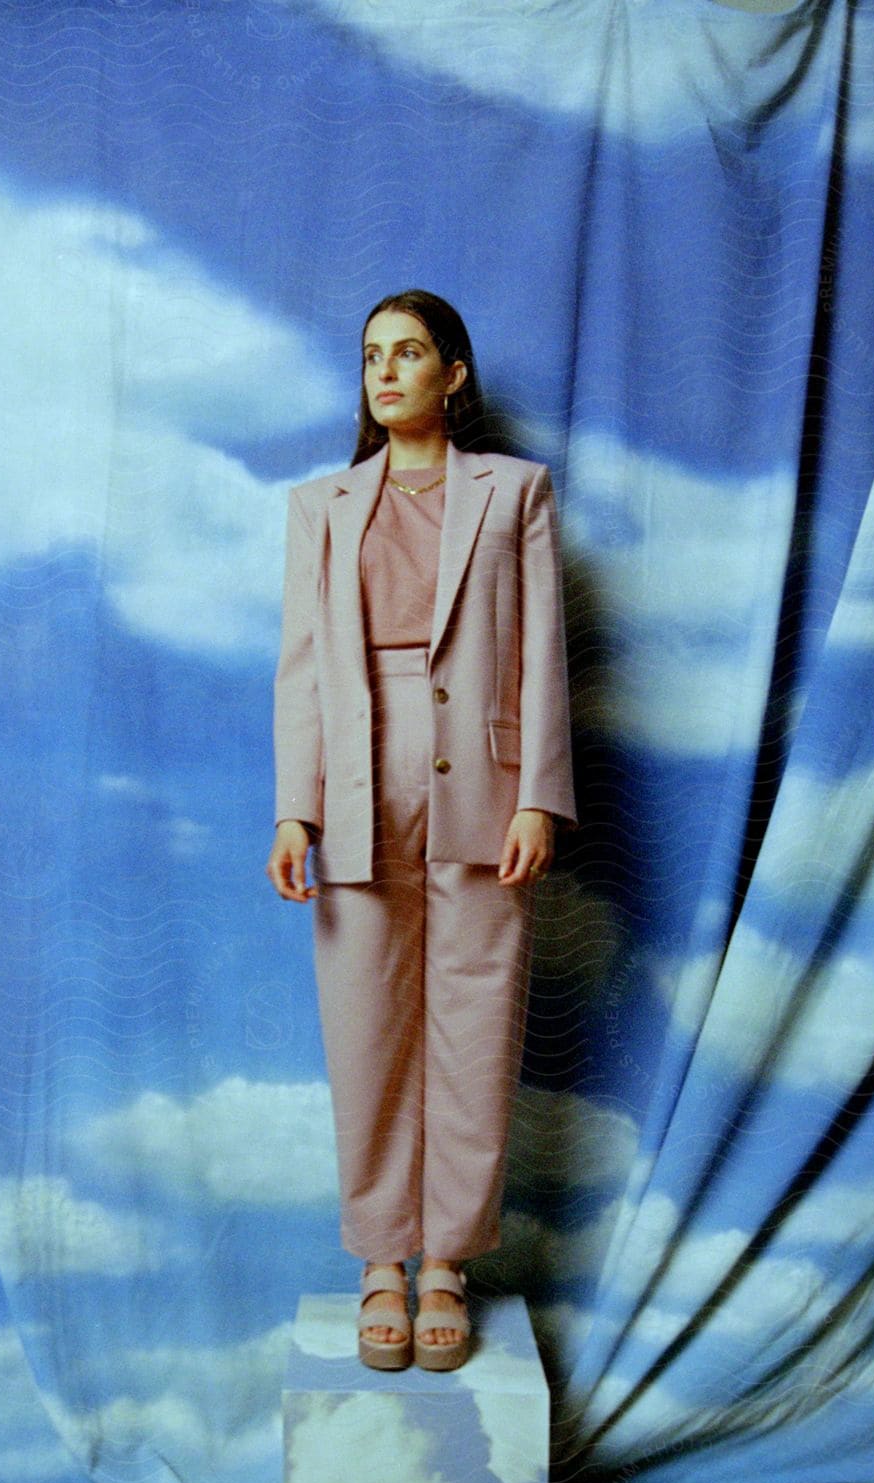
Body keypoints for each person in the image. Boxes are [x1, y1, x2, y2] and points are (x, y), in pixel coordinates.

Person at [266, 289, 577, 1373]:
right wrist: (292, 808)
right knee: (364, 1027)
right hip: (353, 781)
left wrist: (538, 792)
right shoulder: (322, 506)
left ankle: (445, 1258)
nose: (385, 372)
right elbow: (302, 667)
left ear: (453, 372)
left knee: (473, 1020)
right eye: (369, 357)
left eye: (407, 354)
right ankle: (377, 1263)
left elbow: (538, 648)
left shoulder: (514, 493)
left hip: (481, 784)